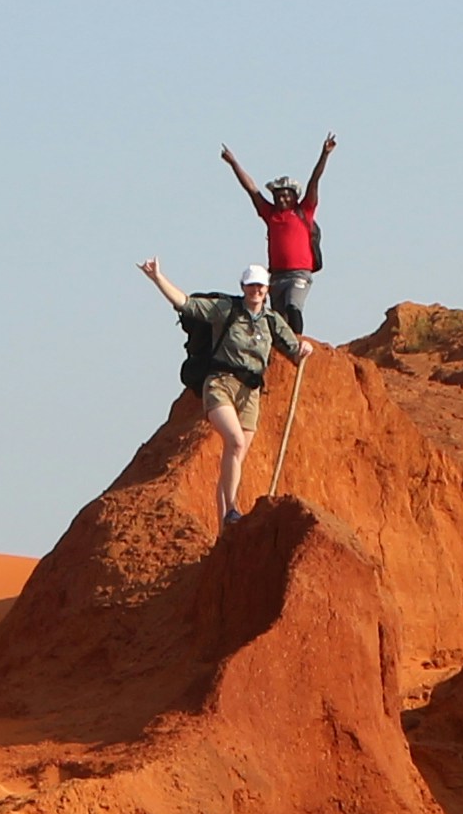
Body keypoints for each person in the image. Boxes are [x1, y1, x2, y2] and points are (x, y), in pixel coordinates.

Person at [138, 259, 308, 529]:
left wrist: (302, 351)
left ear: (267, 290)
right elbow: (186, 304)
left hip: (250, 392)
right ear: (243, 287)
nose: (256, 291)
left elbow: (292, 347)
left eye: (261, 287)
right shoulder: (226, 309)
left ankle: (223, 528)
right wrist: (158, 278)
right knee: (236, 442)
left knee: (235, 456)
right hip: (220, 384)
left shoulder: (271, 321)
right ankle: (231, 510)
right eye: (251, 286)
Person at [219, 135, 334, 331]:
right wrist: (233, 163)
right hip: (277, 276)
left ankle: (298, 343)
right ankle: (280, 352)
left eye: (286, 196)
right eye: (278, 196)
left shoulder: (303, 211)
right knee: (277, 318)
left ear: (294, 197)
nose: (281, 200)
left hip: (299, 274)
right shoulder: (270, 215)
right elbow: (251, 189)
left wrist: (325, 154)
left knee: (293, 306)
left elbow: (314, 180)